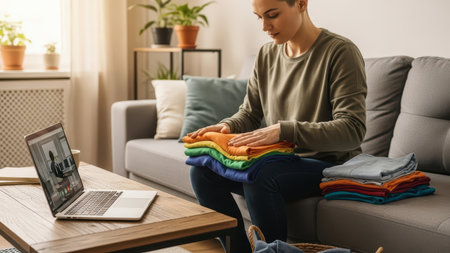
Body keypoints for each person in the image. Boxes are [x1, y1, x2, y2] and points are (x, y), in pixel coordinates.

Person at [189, 0, 367, 251]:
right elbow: (249, 113)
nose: (264, 26)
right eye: (258, 17)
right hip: (278, 159)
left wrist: (283, 130)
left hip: (329, 163)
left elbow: (352, 130)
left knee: (259, 174)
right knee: (202, 171)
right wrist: (226, 127)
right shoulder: (266, 54)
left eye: (272, 15)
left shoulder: (340, 52)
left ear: (302, 4)